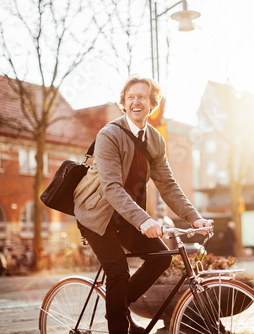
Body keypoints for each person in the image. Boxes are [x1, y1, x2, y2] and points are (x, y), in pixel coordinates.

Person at [74, 75, 209, 334]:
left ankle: (118, 307)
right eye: (131, 97)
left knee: (160, 259)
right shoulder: (109, 135)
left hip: (126, 216)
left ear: (152, 104)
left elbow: (168, 185)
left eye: (142, 97)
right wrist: (144, 220)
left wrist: (194, 218)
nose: (136, 101)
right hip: (95, 216)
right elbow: (111, 187)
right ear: (123, 103)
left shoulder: (156, 141)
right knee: (118, 273)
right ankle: (119, 325)